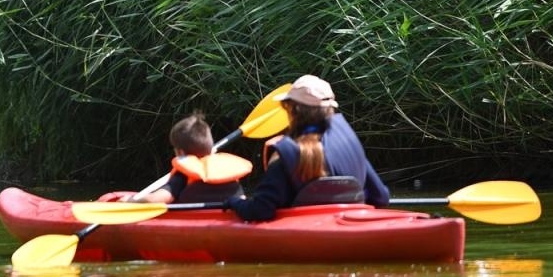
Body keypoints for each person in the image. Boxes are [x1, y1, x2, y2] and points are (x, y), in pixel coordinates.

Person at [226, 74, 390, 222]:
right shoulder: (350, 141)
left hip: (306, 237)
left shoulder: (288, 152)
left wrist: (235, 202)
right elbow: (381, 197)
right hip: (351, 229)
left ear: (294, 109)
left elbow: (261, 210)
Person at [101, 114, 245, 204]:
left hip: (193, 222)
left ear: (179, 152)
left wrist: (131, 201)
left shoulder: (183, 175)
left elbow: (158, 199)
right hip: (228, 220)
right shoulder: (223, 170)